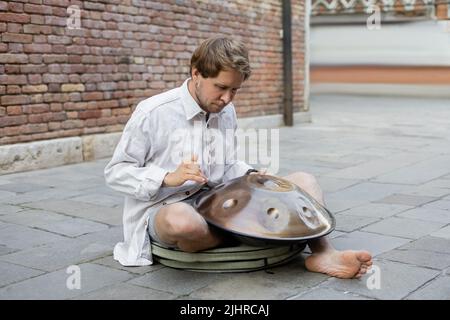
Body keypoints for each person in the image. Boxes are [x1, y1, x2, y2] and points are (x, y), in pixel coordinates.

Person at [104, 36, 372, 278]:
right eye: (220, 87)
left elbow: (228, 163)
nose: (226, 99)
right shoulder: (153, 112)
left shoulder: (226, 111)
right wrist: (168, 177)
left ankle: (324, 252)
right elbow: (116, 172)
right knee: (182, 222)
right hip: (166, 207)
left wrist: (251, 175)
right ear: (196, 73)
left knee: (305, 181)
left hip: (216, 199)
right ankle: (254, 237)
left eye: (235, 90)